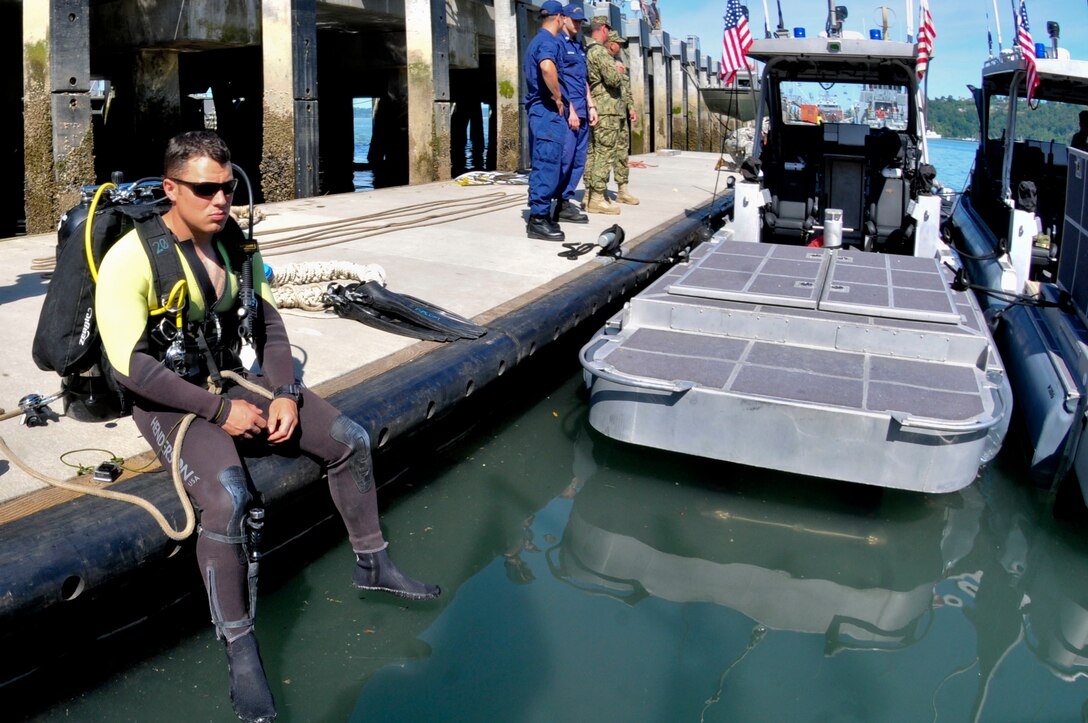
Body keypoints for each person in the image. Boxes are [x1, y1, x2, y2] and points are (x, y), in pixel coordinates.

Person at [95, 130, 439, 723]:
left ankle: (373, 563)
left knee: (349, 440)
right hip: (165, 398)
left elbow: (269, 322)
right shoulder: (133, 258)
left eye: (227, 187)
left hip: (225, 377)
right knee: (228, 499)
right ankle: (240, 645)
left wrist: (284, 391)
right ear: (171, 189)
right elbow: (133, 368)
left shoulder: (230, 242)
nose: (221, 199)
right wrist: (219, 411)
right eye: (205, 189)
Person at [523, 1, 571, 240]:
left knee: (545, 161)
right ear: (559, 17)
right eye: (565, 18)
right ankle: (539, 219)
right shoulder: (547, 41)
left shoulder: (538, 39)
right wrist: (558, 96)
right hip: (546, 110)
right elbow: (547, 67)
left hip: (541, 111)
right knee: (547, 162)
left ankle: (541, 214)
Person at [555, 4, 598, 225]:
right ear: (564, 19)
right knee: (565, 158)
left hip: (583, 110)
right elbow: (559, 79)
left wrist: (591, 105)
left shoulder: (580, 46)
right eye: (575, 20)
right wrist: (571, 108)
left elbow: (583, 80)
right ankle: (555, 202)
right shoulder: (559, 44)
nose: (579, 24)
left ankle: (565, 202)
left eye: (581, 21)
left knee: (579, 160)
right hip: (569, 112)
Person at [584, 16, 625, 215]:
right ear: (603, 29)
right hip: (606, 108)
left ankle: (589, 194)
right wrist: (618, 70)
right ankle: (597, 198)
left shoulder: (588, 50)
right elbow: (613, 80)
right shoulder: (600, 52)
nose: (609, 33)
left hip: (596, 107)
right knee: (605, 153)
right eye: (608, 29)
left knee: (593, 152)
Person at [606, 31, 640, 205]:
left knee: (621, 154)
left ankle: (622, 190)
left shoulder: (619, 63)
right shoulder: (602, 60)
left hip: (620, 115)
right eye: (617, 43)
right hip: (606, 115)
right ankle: (598, 192)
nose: (619, 47)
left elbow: (625, 88)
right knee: (604, 155)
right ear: (611, 43)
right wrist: (617, 73)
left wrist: (631, 107)